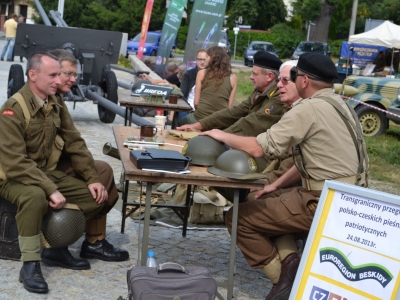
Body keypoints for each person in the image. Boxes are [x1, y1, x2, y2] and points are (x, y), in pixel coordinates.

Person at [200, 53, 369, 299]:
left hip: (324, 201)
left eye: (294, 76)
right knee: (267, 200)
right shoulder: (341, 104)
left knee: (238, 218)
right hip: (350, 197)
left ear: (304, 81)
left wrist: (220, 135)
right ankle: (291, 263)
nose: (288, 82)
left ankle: (286, 281)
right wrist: (275, 185)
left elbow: (260, 147)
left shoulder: (308, 108)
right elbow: (313, 163)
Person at [0, 52, 129, 294]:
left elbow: (74, 142)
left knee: (96, 198)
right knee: (34, 196)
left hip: (44, 173)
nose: (59, 81)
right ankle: (30, 264)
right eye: (53, 75)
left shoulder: (54, 103)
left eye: (60, 74)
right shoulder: (13, 109)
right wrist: (50, 189)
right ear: (32, 75)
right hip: (11, 177)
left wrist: (92, 179)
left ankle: (56, 247)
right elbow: (15, 163)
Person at [177, 51, 285, 171]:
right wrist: (199, 125)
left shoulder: (279, 96)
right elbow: (235, 112)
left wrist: (222, 136)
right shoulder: (259, 92)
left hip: (267, 157)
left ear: (269, 76)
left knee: (222, 164)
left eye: (254, 74)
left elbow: (253, 122)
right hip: (250, 146)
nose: (250, 77)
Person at [179, 46, 237, 125]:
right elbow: (229, 107)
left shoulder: (201, 73)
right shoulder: (233, 77)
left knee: (181, 122)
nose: (204, 60)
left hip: (200, 118)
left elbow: (196, 103)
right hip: (220, 121)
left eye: (206, 56)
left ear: (212, 58)